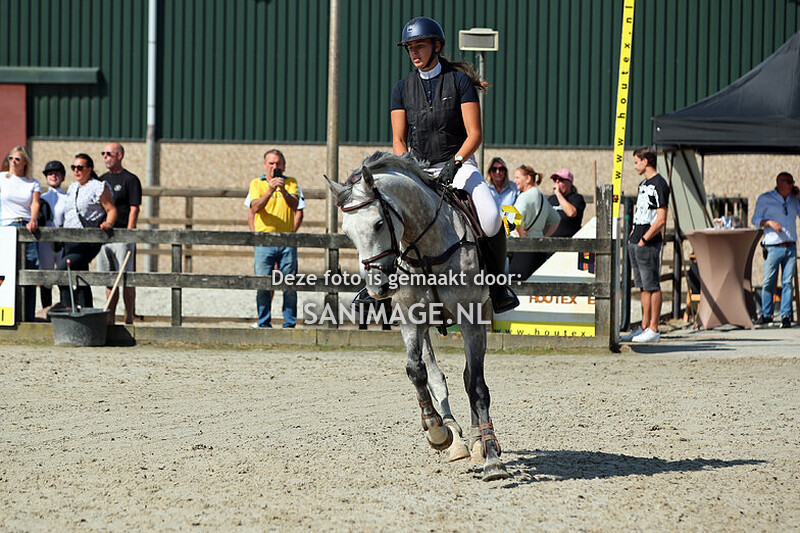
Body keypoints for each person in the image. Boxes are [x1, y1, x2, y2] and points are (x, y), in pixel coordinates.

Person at [390, 16, 517, 313]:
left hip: (458, 164)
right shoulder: (402, 88)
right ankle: (377, 285)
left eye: (420, 46)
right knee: (384, 212)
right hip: (418, 169)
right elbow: (398, 139)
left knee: (491, 217)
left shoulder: (459, 82)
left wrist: (456, 162)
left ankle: (497, 286)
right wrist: (409, 168)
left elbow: (475, 134)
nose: (414, 52)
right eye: (410, 48)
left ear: (437, 46)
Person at [621, 147, 670, 343]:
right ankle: (643, 326)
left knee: (652, 285)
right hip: (636, 241)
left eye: (636, 162)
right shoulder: (643, 184)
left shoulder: (659, 184)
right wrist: (633, 235)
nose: (634, 166)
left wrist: (644, 239)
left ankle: (653, 328)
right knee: (642, 286)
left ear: (645, 161)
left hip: (648, 243)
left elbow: (661, 218)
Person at [57, 154, 117, 308]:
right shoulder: (72, 187)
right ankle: (87, 310)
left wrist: (108, 223)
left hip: (87, 240)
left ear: (89, 169)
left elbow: (111, 209)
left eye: (80, 167)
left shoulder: (98, 186)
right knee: (81, 277)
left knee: (62, 269)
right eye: (73, 167)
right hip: (69, 239)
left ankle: (68, 306)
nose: (76, 171)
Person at [249, 149, 299, 328]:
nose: (274, 167)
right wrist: (270, 190)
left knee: (289, 285)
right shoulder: (257, 183)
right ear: (265, 165)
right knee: (263, 284)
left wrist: (283, 190)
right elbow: (255, 208)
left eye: (278, 163)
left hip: (287, 240)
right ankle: (263, 323)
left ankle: (289, 324)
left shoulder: (291, 182)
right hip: (264, 241)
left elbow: (295, 206)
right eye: (271, 163)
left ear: (284, 166)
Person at [97, 142, 142, 324]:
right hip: (105, 237)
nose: (105, 157)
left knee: (127, 279)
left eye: (109, 153)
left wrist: (129, 235)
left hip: (123, 236)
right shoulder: (101, 180)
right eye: (103, 153)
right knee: (109, 279)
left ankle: (129, 317)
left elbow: (134, 208)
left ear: (119, 156)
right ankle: (110, 319)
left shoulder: (130, 180)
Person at [751, 172, 800, 329]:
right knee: (768, 282)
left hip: (790, 246)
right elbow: (755, 220)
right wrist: (769, 222)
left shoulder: (794, 200)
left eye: (793, 182)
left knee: (788, 283)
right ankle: (766, 315)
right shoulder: (765, 199)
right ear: (780, 182)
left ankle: (785, 316)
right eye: (789, 182)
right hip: (773, 246)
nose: (792, 185)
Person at [1, 146, 41, 321]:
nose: (13, 162)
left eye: (17, 159)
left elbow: (35, 203)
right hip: (7, 226)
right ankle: (6, 314)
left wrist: (33, 219)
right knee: (6, 270)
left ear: (25, 162)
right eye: (10, 158)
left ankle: (29, 317)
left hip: (26, 226)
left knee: (30, 267)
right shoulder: (2, 178)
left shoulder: (33, 182)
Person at [507, 165, 560, 280]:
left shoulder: (524, 197)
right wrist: (545, 236)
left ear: (528, 179)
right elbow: (556, 219)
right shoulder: (541, 197)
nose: (515, 181)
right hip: (539, 249)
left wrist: (521, 235)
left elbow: (516, 219)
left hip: (522, 249)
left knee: (515, 285)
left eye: (517, 177)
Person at [38, 160, 69, 310]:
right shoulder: (41, 198)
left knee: (63, 276)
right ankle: (46, 309)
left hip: (62, 240)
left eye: (57, 173)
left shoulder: (67, 198)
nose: (53, 176)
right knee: (46, 277)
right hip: (45, 241)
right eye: (50, 173)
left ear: (63, 177)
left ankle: (65, 306)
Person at [547, 168, 586, 238]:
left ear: (570, 183)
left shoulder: (576, 198)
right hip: (552, 241)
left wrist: (558, 194)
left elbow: (571, 213)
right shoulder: (551, 199)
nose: (557, 182)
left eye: (561, 180)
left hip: (570, 240)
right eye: (555, 180)